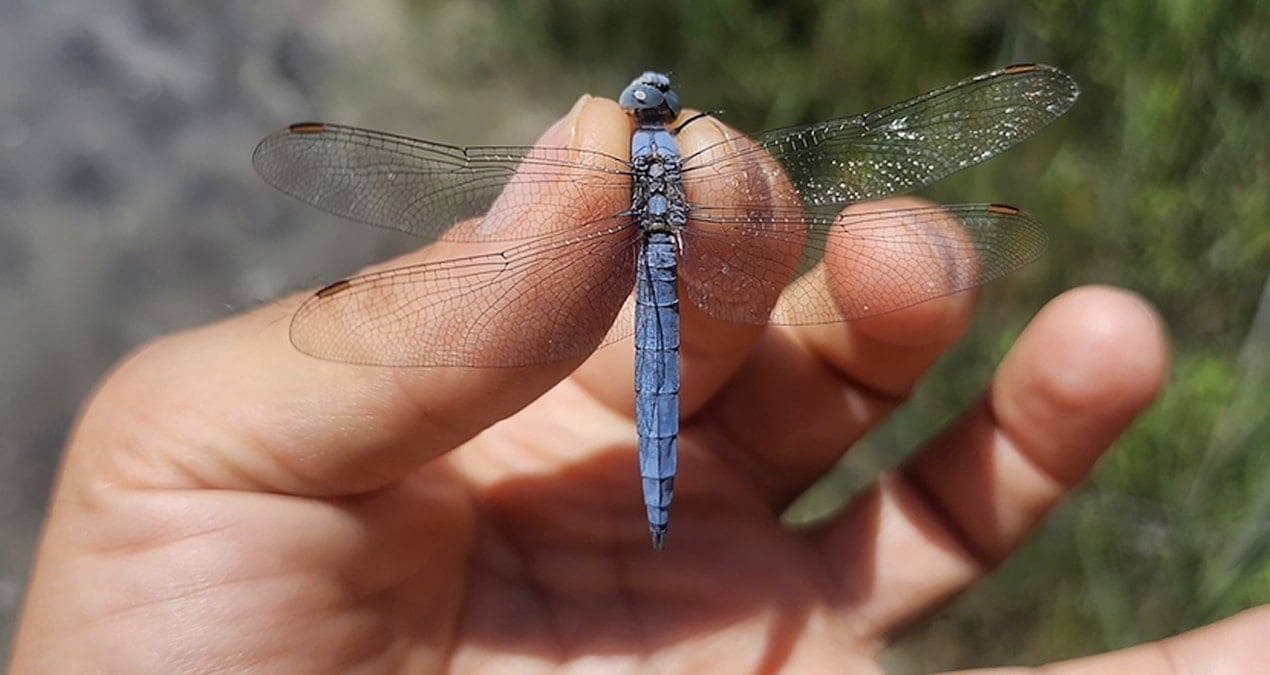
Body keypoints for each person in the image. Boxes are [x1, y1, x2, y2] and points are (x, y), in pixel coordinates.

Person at [11, 96, 1267, 673]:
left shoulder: (638, 178)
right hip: (670, 293)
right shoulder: (655, 175)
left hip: (671, 281)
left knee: (868, 255)